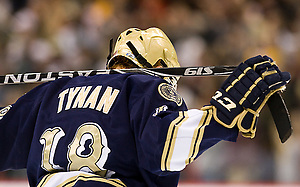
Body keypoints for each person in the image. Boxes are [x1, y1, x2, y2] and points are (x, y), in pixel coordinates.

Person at [0, 27, 291, 187]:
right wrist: (223, 112)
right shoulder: (144, 87)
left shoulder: (51, 92)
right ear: (162, 67)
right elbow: (166, 147)